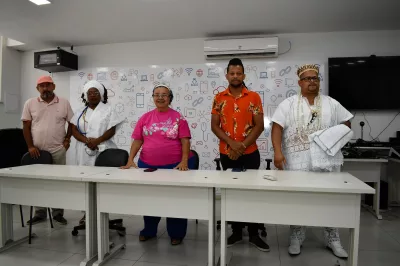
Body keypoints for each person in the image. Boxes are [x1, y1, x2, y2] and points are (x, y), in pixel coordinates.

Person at [271, 64, 353, 258]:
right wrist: (277, 152)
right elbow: (277, 127)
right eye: (307, 78)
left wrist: (332, 137)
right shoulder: (288, 104)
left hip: (326, 159)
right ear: (300, 82)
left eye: (315, 78)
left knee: (329, 199)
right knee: (299, 198)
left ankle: (332, 237)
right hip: (297, 160)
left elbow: (347, 122)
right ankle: (296, 236)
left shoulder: (331, 103)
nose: (312, 82)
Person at [121, 84, 196, 245]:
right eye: (157, 94)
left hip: (174, 166)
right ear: (153, 97)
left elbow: (185, 140)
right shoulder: (145, 117)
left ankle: (176, 233)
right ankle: (149, 230)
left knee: (175, 200)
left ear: (170, 98)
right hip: (148, 165)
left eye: (164, 95)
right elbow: (138, 140)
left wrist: (184, 161)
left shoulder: (178, 118)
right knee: (150, 199)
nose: (160, 97)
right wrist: (130, 160)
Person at [211, 58, 269, 252]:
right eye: (232, 73)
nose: (235, 76)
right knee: (231, 192)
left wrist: (241, 146)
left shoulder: (253, 97)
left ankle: (253, 234)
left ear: (243, 75)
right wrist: (232, 145)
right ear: (227, 75)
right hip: (227, 153)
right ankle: (236, 231)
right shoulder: (219, 98)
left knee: (251, 193)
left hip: (250, 153)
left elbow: (259, 125)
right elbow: (214, 126)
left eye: (239, 73)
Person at [22, 75, 73, 225]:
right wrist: (30, 146)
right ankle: (40, 212)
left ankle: (57, 213)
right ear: (37, 89)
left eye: (48, 85)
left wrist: (67, 139)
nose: (45, 88)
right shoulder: (30, 103)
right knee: (39, 183)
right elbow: (26, 126)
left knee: (58, 183)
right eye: (42, 86)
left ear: (54, 86)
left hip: (58, 149)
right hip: (37, 150)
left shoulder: (63, 103)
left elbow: (72, 123)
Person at [71, 80, 124, 225]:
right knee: (84, 180)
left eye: (96, 92)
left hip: (103, 149)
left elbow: (111, 129)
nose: (93, 95)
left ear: (101, 94)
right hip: (83, 148)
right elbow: (73, 129)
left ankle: (103, 211)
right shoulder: (80, 111)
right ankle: (86, 213)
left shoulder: (109, 110)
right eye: (90, 93)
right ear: (85, 95)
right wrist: (87, 140)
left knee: (102, 181)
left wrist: (97, 140)